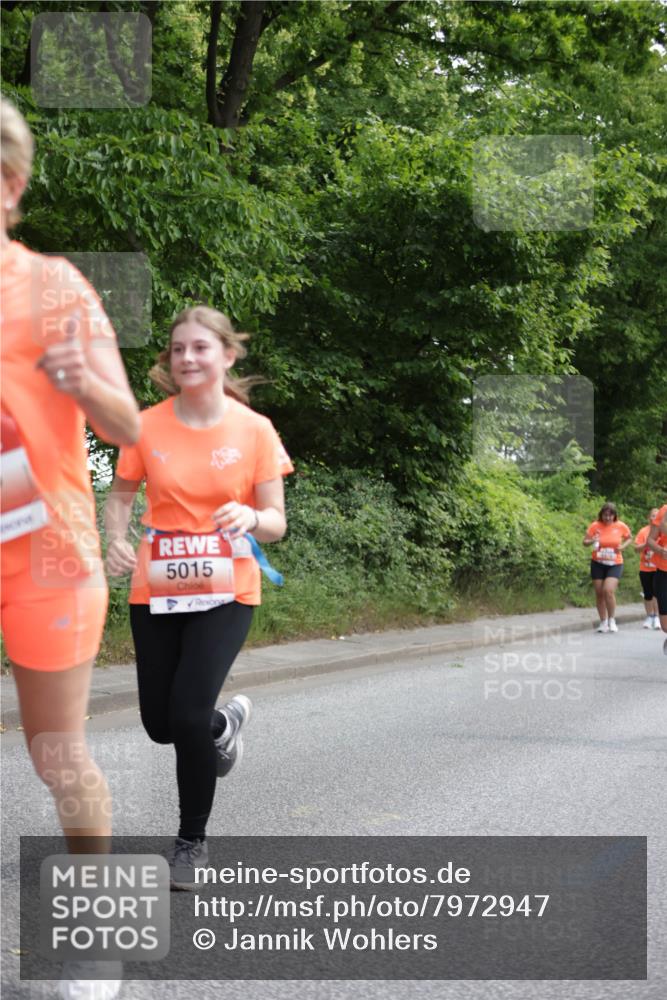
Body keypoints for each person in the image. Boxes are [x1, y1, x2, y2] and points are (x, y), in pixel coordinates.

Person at [0, 97, 140, 999]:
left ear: (8, 187)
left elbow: (132, 429)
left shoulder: (52, 288)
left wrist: (83, 377)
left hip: (42, 552)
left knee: (57, 753)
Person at [104, 304, 293, 888]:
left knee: (183, 713)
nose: (187, 357)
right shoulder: (145, 424)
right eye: (178, 348)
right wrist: (114, 538)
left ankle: (191, 841)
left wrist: (251, 515)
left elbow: (276, 522)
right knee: (162, 724)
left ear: (227, 356)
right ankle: (221, 726)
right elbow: (120, 495)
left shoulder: (253, 430)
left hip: (228, 586)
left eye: (201, 348)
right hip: (157, 583)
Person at [583, 502, 632, 633]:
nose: (608, 518)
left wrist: (622, 547)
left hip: (615, 563)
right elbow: (585, 542)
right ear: (601, 515)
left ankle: (612, 620)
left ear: (614, 516)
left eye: (610, 515)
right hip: (598, 563)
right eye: (605, 515)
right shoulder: (595, 526)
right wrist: (592, 541)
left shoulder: (620, 526)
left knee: (608, 590)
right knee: (599, 593)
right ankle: (603, 622)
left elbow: (629, 538)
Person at [645, 502, 667, 652]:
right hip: (664, 571)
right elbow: (650, 540)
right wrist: (660, 550)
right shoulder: (664, 510)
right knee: (665, 626)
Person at [634, 508, 661, 628]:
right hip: (645, 567)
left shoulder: (663, 531)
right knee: (648, 593)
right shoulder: (643, 531)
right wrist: (647, 543)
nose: (654, 518)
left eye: (657, 516)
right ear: (648, 517)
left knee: (657, 593)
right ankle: (649, 616)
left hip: (659, 568)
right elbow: (636, 549)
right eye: (652, 516)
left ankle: (657, 617)